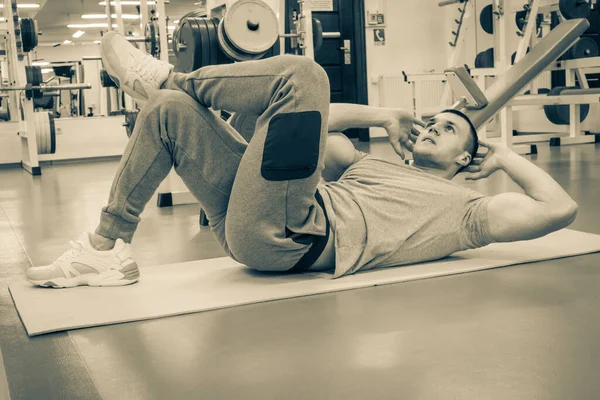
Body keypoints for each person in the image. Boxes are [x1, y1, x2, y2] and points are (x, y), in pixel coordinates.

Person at [25, 32, 578, 287]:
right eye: (436, 118)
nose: (435, 124)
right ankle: (104, 249)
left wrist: (503, 153)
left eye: (451, 129)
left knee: (305, 75)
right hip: (253, 216)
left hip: (291, 236)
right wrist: (385, 115)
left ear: (466, 158)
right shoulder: (364, 167)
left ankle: (171, 79)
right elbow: (322, 120)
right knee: (168, 112)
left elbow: (559, 209)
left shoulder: (467, 211)